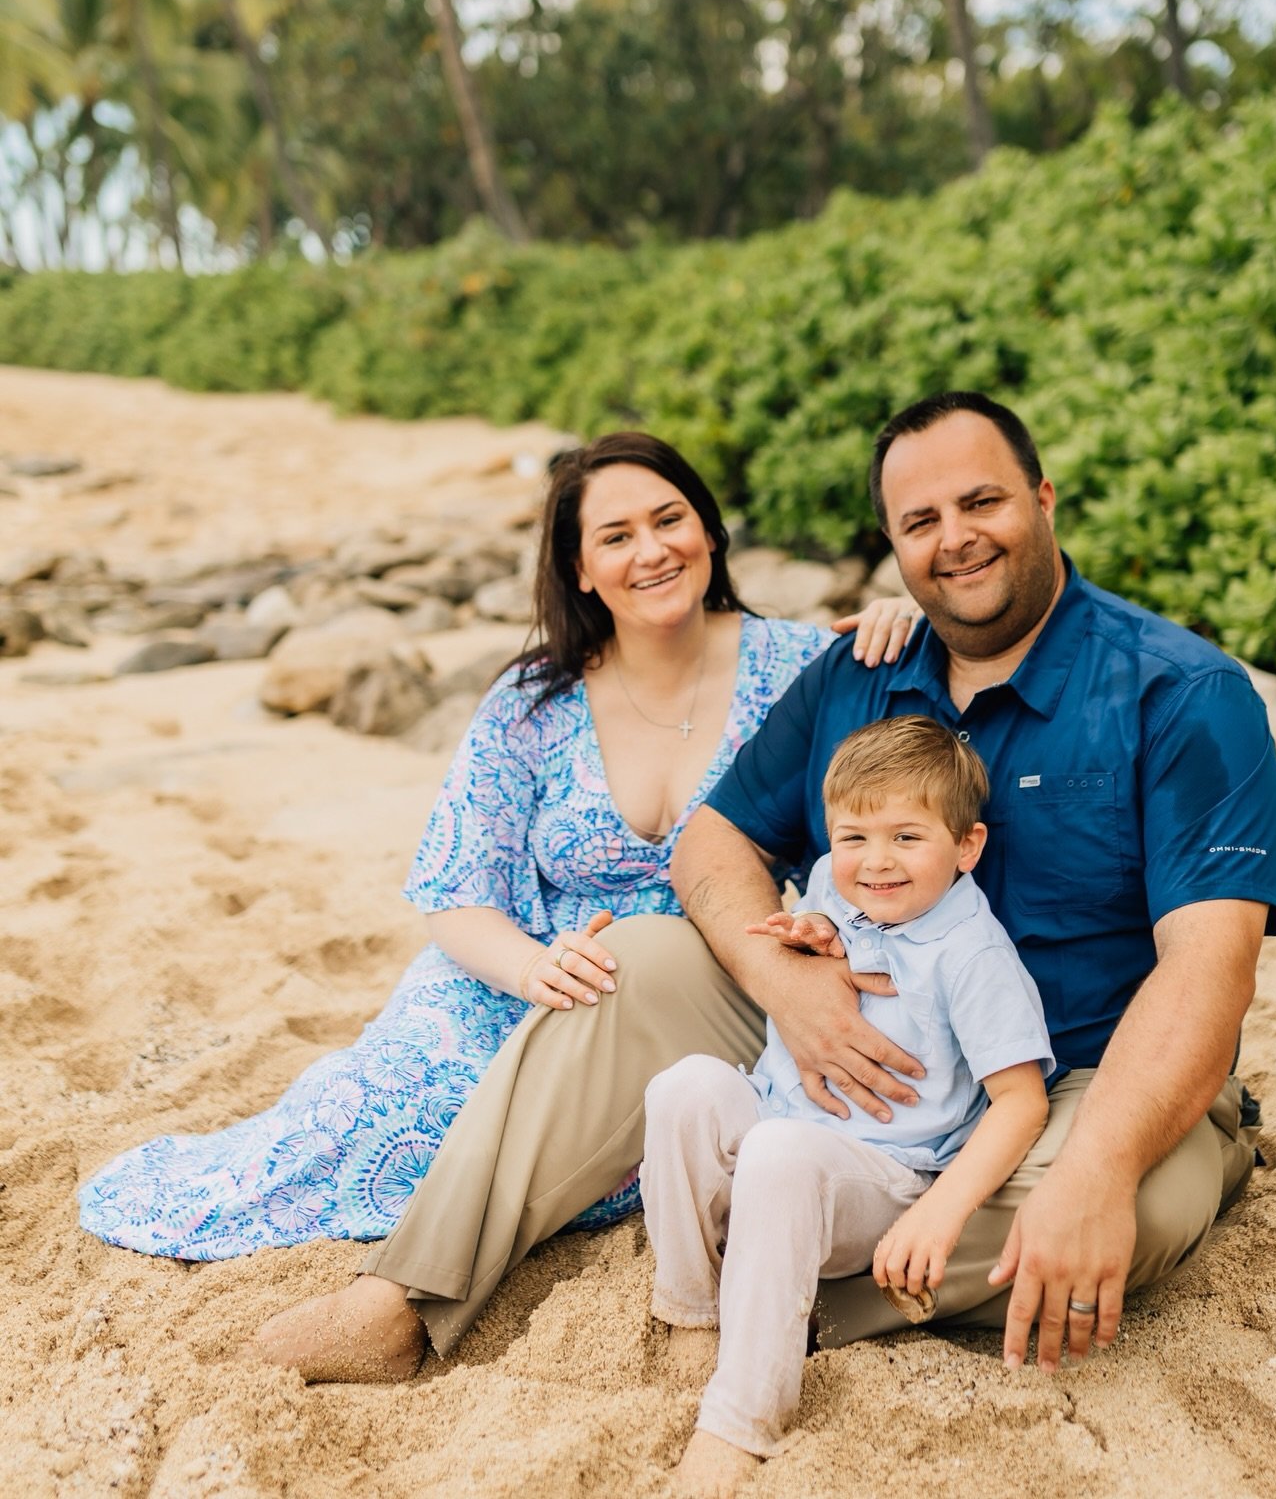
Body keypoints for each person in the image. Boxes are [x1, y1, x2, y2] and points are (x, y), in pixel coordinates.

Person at [249, 389, 1276, 1384]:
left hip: (1073, 1074)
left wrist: (1100, 1167)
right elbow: (709, 845)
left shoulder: (1182, 692)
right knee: (639, 960)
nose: (956, 537)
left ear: (1043, 499)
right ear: (892, 544)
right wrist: (783, 984)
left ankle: (785, 1289)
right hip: (853, 1040)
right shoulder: (859, 672)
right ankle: (407, 1294)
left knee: (1120, 1212)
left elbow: (1210, 972)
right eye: (920, 519)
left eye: (982, 502)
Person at [78, 432, 914, 1281]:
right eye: (616, 537)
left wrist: (902, 621)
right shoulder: (534, 698)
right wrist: (533, 970)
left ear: (710, 531)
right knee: (362, 1110)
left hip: (700, 993)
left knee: (598, 1139)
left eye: (671, 520)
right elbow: (455, 890)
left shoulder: (803, 666)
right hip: (525, 973)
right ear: (581, 569)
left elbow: (904, 775)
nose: (653, 550)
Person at [643, 715, 1053, 1494]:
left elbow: (1021, 1103)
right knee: (684, 1088)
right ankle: (693, 1312)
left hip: (881, 1175)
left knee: (780, 1154)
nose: (876, 862)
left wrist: (939, 1213)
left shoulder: (973, 956)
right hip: (783, 1117)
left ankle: (744, 1416)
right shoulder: (837, 878)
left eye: (907, 837)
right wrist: (814, 925)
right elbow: (834, 900)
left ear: (967, 847)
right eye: (854, 836)